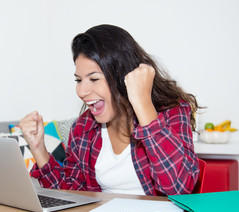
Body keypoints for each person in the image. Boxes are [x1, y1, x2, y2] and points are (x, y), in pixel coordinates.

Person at [20, 24, 200, 196]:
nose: (82, 91)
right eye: (78, 80)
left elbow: (179, 187)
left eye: (94, 79)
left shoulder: (172, 112)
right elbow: (72, 193)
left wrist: (143, 103)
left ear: (124, 77)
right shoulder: (84, 127)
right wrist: (38, 149)